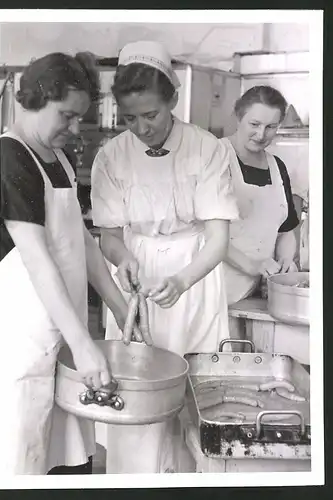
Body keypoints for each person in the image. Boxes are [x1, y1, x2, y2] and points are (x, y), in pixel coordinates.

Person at [90, 41, 238, 473]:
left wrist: (180, 281)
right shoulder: (111, 156)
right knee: (136, 394)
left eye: (151, 115)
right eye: (130, 118)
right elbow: (110, 236)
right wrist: (123, 259)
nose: (141, 128)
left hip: (194, 282)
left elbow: (217, 241)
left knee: (195, 399)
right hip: (135, 287)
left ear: (172, 100)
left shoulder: (206, 149)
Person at [0, 52, 131, 476]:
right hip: (27, 341)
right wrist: (86, 345)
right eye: (67, 117)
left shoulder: (60, 159)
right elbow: (37, 260)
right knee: (25, 457)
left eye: (79, 118)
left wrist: (119, 305)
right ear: (32, 99)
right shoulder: (9, 157)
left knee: (68, 457)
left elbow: (81, 243)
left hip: (64, 334)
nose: (75, 131)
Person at [220, 85, 300, 306]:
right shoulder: (214, 158)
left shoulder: (277, 167)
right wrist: (252, 265)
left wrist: (284, 260)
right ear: (238, 117)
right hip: (214, 291)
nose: (261, 134)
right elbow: (202, 232)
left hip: (255, 293)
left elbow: (285, 228)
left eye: (271, 126)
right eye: (254, 124)